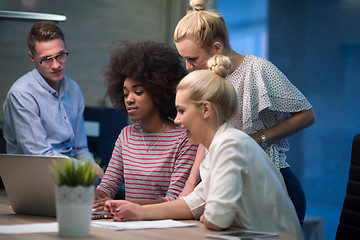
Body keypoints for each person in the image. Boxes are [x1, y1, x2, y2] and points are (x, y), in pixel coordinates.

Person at [104, 55, 303, 240]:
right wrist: (137, 211)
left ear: (205, 109)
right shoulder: (218, 149)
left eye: (181, 111)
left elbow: (216, 219)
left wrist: (207, 216)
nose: (178, 121)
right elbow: (192, 204)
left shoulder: (230, 145)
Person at [173, 0, 316, 224]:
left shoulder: (257, 69)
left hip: (273, 185)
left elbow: (307, 115)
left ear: (217, 48)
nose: (188, 67)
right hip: (230, 184)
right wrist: (191, 185)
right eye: (184, 59)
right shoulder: (205, 80)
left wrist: (257, 139)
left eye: (192, 59)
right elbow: (206, 133)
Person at [92, 41, 198, 211]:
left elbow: (175, 199)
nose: (129, 99)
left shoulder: (185, 138)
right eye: (125, 93)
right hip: (126, 221)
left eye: (138, 92)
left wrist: (128, 206)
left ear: (158, 91)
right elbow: (107, 187)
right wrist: (95, 197)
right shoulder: (126, 135)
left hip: (164, 225)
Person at [2, 21, 103, 176]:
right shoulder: (22, 95)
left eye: (60, 55)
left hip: (71, 177)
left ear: (66, 48)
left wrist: (98, 176)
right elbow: (40, 157)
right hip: (36, 179)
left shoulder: (74, 89)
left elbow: (81, 149)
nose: (56, 65)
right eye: (47, 59)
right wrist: (86, 170)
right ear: (32, 57)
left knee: (117, 194)